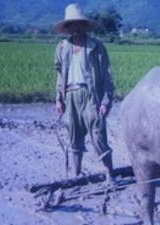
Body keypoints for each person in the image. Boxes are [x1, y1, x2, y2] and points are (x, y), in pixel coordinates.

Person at [53, 3, 115, 179]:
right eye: (72, 24)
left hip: (91, 96)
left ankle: (111, 174)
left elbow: (106, 76)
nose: (76, 27)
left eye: (79, 24)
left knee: (98, 136)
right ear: (68, 27)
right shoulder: (62, 48)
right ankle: (76, 174)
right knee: (74, 137)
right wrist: (59, 98)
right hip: (70, 95)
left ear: (84, 25)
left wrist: (106, 101)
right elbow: (60, 75)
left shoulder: (96, 47)